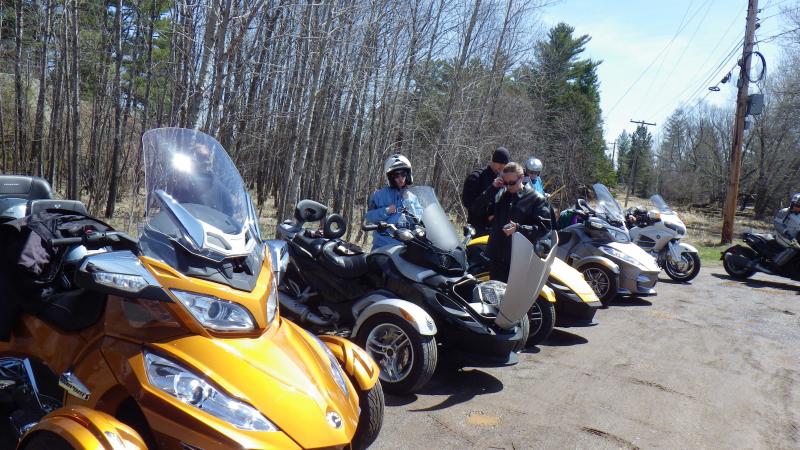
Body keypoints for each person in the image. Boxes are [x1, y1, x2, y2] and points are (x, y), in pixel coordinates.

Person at [474, 162, 554, 282]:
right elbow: (476, 208)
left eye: (511, 182)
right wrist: (492, 188)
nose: (508, 186)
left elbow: (545, 228)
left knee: (513, 297)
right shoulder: (501, 193)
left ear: (521, 178)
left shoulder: (536, 199)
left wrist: (519, 228)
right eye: (505, 182)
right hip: (497, 256)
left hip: (519, 259)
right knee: (496, 294)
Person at [365, 154, 424, 250]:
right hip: (383, 247)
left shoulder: (412, 198)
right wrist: (386, 210)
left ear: (408, 175)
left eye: (403, 174)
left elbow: (419, 219)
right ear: (391, 178)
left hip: (406, 248)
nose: (400, 178)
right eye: (396, 175)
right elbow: (369, 218)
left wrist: (408, 202)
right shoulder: (379, 195)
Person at [462, 147, 511, 236]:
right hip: (477, 229)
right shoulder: (476, 177)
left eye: (505, 164)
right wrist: (492, 189)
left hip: (496, 229)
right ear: (493, 161)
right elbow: (470, 204)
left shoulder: (504, 179)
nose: (502, 167)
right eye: (499, 163)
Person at [773, 192, 800, 266]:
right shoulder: (785, 211)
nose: (797, 207)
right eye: (796, 205)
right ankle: (776, 264)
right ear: (792, 204)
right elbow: (777, 223)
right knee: (795, 247)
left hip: (795, 238)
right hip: (782, 236)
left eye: (799, 206)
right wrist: (786, 233)